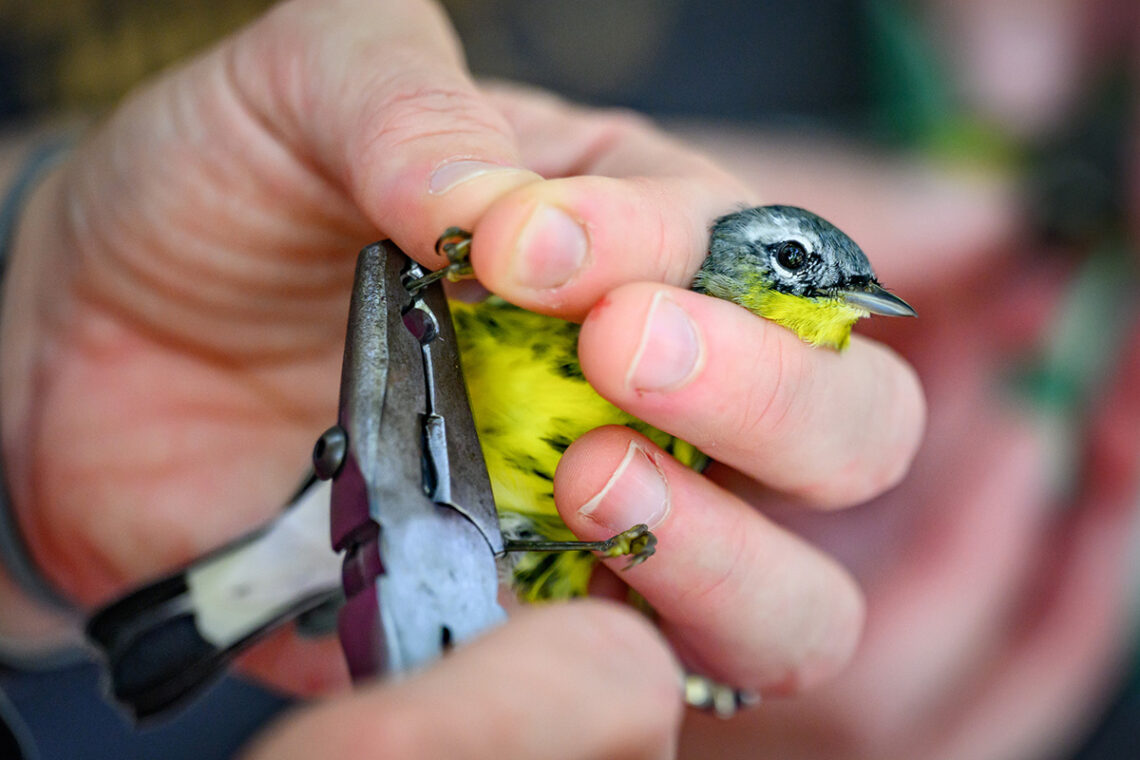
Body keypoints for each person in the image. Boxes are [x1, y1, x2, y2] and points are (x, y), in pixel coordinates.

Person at [1, 1, 1137, 758]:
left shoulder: (700, 405)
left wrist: (679, 680)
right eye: (815, 278)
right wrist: (32, 310)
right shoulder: (646, 308)